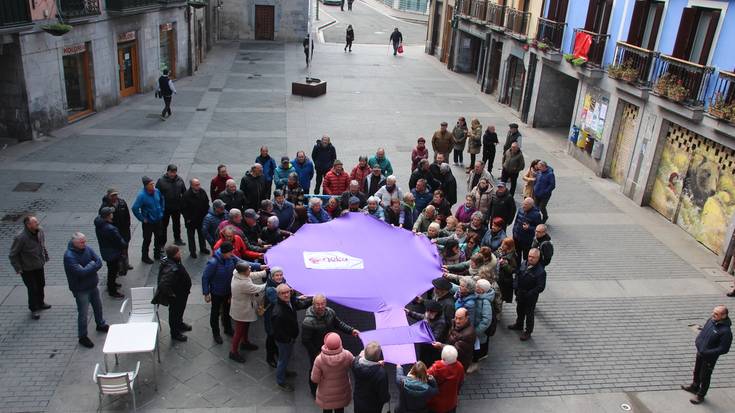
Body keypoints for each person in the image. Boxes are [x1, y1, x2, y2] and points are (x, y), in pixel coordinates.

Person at [302, 294, 359, 397]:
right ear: (313, 304)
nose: (320, 306)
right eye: (317, 304)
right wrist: (316, 353)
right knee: (314, 369)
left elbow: (338, 323)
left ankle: (327, 388)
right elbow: (306, 341)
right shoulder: (308, 321)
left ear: (325, 303)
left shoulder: (330, 312)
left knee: (330, 371)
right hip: (317, 350)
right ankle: (314, 390)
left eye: (322, 304)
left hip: (330, 347)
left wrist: (351, 330)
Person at [63, 232, 109, 348]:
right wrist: (92, 265)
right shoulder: (69, 256)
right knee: (83, 313)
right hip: (81, 289)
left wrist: (89, 266)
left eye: (85, 241)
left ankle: (100, 324)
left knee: (98, 306)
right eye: (81, 242)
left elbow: (98, 261)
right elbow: (81, 273)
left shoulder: (87, 248)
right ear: (74, 243)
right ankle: (82, 336)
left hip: (92, 285)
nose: (84, 244)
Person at [681, 305, 732, 404]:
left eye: (716, 314)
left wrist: (707, 352)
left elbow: (724, 349)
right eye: (713, 312)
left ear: (723, 316)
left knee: (705, 376)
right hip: (701, 352)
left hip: (709, 358)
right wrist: (698, 342)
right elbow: (704, 331)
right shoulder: (711, 320)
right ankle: (694, 386)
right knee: (696, 371)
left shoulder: (726, 332)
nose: (713, 314)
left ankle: (700, 395)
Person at [9, 215, 50, 320]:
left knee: (41, 284)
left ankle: (41, 302)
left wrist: (45, 255)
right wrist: (18, 268)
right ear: (28, 225)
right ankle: (34, 309)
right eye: (35, 222)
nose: (37, 223)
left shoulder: (40, 231)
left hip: (39, 264)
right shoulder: (20, 238)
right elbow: (13, 254)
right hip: (27, 268)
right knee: (32, 288)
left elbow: (42, 244)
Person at [271, 283, 311, 392]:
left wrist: (312, 300)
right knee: (283, 359)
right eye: (283, 293)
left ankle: (284, 371)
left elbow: (299, 305)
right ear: (278, 294)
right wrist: (288, 340)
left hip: (289, 338)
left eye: (287, 292)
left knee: (285, 358)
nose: (286, 295)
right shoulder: (278, 312)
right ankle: (280, 381)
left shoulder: (288, 302)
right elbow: (278, 332)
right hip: (285, 340)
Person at [229, 262, 268, 362]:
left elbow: (250, 275)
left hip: (244, 307)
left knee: (245, 326)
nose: (250, 270)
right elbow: (257, 288)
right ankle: (233, 352)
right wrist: (268, 284)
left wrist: (264, 272)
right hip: (242, 309)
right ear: (243, 272)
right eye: (248, 269)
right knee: (239, 330)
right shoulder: (242, 283)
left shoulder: (238, 273)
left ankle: (245, 342)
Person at [152, 245, 192, 342]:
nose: (180, 254)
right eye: (178, 253)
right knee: (174, 314)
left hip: (182, 293)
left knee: (180, 311)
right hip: (176, 296)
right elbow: (163, 284)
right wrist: (172, 295)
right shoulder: (171, 268)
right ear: (174, 255)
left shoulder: (174, 261)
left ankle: (180, 324)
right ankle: (175, 333)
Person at [202, 242, 237, 344]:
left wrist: (259, 266)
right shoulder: (213, 263)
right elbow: (205, 277)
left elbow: (241, 262)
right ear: (224, 253)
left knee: (227, 311)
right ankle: (216, 333)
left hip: (227, 291)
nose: (232, 254)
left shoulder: (230, 258)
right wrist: (206, 293)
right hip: (216, 292)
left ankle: (228, 328)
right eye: (230, 252)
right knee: (215, 313)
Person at [509, 248, 546, 341]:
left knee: (529, 314)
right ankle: (519, 324)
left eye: (533, 257)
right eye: (529, 256)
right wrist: (515, 285)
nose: (530, 259)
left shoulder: (541, 272)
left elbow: (541, 287)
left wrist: (530, 293)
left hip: (530, 297)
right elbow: (518, 274)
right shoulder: (524, 263)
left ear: (538, 258)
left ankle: (528, 331)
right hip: (520, 293)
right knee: (519, 309)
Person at [311, 333, 354, 412]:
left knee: (327, 411)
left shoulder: (319, 359)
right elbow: (356, 366)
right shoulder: (347, 355)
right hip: (342, 392)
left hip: (326, 395)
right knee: (340, 410)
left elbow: (315, 379)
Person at [94, 207, 126, 298]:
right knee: (113, 271)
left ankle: (111, 284)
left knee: (111, 269)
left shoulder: (99, 224)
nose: (112, 214)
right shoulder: (110, 229)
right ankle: (112, 290)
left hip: (106, 251)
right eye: (111, 213)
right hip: (113, 252)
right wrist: (124, 244)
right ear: (108, 216)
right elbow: (119, 241)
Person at [132, 176, 165, 263]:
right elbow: (135, 208)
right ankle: (145, 257)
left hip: (158, 220)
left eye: (153, 183)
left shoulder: (157, 191)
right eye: (151, 184)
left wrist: (162, 210)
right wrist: (142, 219)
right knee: (147, 239)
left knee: (158, 237)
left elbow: (162, 199)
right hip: (148, 222)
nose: (153, 185)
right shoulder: (141, 196)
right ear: (146, 186)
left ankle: (157, 254)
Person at [431, 307, 475, 373]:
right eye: (456, 317)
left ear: (466, 318)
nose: (457, 321)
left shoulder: (468, 334)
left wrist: (441, 345)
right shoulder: (454, 323)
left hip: (458, 363)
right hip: (450, 359)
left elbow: (455, 350)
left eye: (460, 318)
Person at [406, 299, 448, 366]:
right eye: (427, 310)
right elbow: (422, 317)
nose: (428, 313)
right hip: (424, 346)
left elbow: (434, 338)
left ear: (436, 312)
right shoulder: (430, 315)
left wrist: (419, 332)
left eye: (431, 312)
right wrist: (410, 312)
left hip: (432, 350)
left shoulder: (441, 322)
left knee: (427, 364)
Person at [99, 188, 132, 274]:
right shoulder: (105, 207)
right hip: (115, 231)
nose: (115, 197)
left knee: (125, 247)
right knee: (118, 251)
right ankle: (119, 267)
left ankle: (126, 263)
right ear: (108, 196)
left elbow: (127, 215)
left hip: (124, 230)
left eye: (116, 195)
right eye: (113, 195)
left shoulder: (122, 202)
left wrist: (128, 225)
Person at [352, 342, 390, 413]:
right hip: (374, 406)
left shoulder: (355, 363)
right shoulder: (381, 373)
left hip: (358, 402)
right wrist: (387, 398)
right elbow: (383, 395)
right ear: (378, 356)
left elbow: (359, 358)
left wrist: (377, 364)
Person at [426, 346, 465, 413]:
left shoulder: (435, 369)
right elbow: (460, 383)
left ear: (443, 357)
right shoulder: (460, 367)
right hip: (451, 402)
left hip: (436, 404)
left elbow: (424, 380)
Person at [156, 164, 187, 247]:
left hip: (176, 207)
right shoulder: (161, 181)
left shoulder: (179, 180)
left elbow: (184, 192)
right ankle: (162, 243)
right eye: (171, 172)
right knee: (163, 226)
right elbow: (157, 195)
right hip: (165, 208)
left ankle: (177, 239)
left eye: (174, 172)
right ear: (168, 171)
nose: (173, 174)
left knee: (177, 224)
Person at [469, 279, 495, 372]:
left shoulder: (485, 302)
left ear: (482, 290)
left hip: (478, 331)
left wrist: (476, 332)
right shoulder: (479, 296)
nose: (475, 287)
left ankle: (474, 364)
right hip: (474, 328)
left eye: (477, 286)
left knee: (477, 347)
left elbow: (486, 321)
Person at [182, 178, 210, 258]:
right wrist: (188, 218)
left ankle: (203, 248)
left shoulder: (202, 192)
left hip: (201, 219)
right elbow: (183, 209)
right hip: (191, 221)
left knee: (202, 234)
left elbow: (206, 203)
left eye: (199, 184)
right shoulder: (186, 195)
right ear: (191, 186)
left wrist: (206, 214)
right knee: (191, 236)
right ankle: (192, 251)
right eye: (196, 185)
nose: (198, 186)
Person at [512, 197, 542, 263]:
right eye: (523, 204)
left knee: (526, 257)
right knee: (517, 255)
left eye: (526, 205)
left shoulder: (536, 215)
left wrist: (529, 228)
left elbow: (538, 228)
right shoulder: (520, 210)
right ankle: (518, 268)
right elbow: (516, 221)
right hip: (517, 238)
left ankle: (524, 269)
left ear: (531, 205)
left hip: (526, 241)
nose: (523, 206)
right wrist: (514, 232)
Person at [495, 237, 517, 304]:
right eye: (502, 243)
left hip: (505, 280)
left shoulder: (512, 257)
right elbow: (496, 254)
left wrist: (504, 264)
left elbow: (512, 270)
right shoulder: (501, 251)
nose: (502, 245)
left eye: (504, 244)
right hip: (499, 277)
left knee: (501, 296)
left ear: (509, 246)